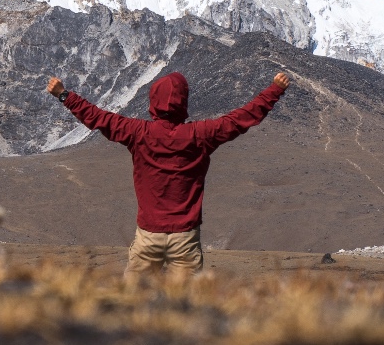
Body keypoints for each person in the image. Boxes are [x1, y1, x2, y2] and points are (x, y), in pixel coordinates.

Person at [46, 68, 290, 279]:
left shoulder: (138, 132)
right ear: (184, 103)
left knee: (132, 303)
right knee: (186, 306)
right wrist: (274, 90)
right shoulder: (201, 134)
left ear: (153, 101)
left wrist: (64, 95)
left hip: (148, 235)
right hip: (185, 238)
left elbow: (99, 118)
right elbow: (241, 118)